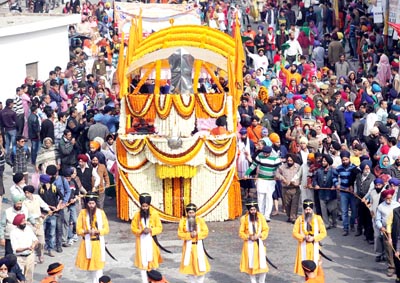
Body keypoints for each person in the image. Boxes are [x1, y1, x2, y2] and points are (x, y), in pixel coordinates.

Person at [75, 193, 109, 283]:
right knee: (91, 269)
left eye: (93, 203)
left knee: (98, 268)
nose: (91, 206)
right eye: (89, 204)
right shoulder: (83, 213)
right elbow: (78, 230)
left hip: (98, 244)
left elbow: (106, 229)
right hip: (87, 244)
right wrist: (86, 231)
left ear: (96, 203)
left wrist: (98, 231)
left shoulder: (101, 213)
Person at [131, 193, 163, 283]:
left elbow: (160, 227)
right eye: (143, 206)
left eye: (146, 206)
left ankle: (153, 281)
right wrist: (140, 231)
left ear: (149, 205)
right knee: (143, 264)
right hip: (141, 242)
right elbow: (133, 228)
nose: (145, 208)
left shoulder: (154, 214)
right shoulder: (137, 215)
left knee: (153, 263)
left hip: (152, 242)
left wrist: (151, 230)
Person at [244, 146, 281, 221]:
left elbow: (279, 168)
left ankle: (267, 215)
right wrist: (247, 173)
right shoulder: (260, 155)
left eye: (266, 153)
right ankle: (261, 214)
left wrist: (278, 176)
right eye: (264, 153)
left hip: (270, 180)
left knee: (269, 197)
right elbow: (254, 165)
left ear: (270, 153)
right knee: (260, 197)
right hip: (261, 179)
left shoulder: (275, 157)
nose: (265, 154)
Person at [292, 199, 327, 276]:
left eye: (309, 209)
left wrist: (314, 238)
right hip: (303, 247)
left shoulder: (318, 218)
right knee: (305, 270)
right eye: (306, 209)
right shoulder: (299, 219)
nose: (308, 211)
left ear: (312, 209)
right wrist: (304, 237)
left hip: (314, 246)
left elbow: (324, 233)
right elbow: (294, 233)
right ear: (304, 210)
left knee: (315, 270)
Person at [178, 203, 210, 283]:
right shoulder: (183, 221)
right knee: (190, 269)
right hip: (188, 248)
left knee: (201, 268)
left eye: (193, 212)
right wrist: (189, 235)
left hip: (198, 247)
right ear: (187, 213)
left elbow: (205, 232)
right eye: (189, 213)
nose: (191, 214)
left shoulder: (200, 220)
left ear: (195, 212)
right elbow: (180, 234)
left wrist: (197, 234)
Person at [239, 200, 269, 283]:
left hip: (259, 244)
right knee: (251, 265)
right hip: (249, 245)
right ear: (248, 210)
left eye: (254, 210)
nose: (253, 212)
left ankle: (261, 281)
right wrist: (249, 237)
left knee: (263, 266)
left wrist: (260, 235)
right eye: (251, 210)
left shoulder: (261, 217)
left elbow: (266, 229)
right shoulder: (244, 219)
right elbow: (241, 232)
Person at [23, 185, 50, 264]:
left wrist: (48, 210)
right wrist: (38, 215)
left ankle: (40, 254)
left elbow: (43, 204)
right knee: (32, 241)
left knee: (41, 241)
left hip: (39, 222)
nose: (26, 194)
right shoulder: (24, 202)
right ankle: (32, 256)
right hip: (29, 223)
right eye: (25, 193)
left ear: (31, 193)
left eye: (27, 192)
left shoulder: (37, 197)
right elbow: (25, 214)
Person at [376, 189, 399, 277]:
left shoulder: (397, 205)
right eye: (387, 198)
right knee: (389, 248)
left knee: (397, 248)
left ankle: (398, 266)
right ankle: (391, 266)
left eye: (390, 198)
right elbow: (378, 219)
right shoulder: (381, 207)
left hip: (396, 229)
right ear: (384, 198)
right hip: (386, 229)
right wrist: (380, 226)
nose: (389, 200)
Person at [10, 214, 38, 283]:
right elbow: (16, 249)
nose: (25, 222)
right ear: (18, 223)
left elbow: (35, 240)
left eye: (24, 221)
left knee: (29, 277)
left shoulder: (28, 229)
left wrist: (33, 245)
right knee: (20, 278)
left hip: (30, 256)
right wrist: (26, 248)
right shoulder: (13, 233)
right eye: (22, 222)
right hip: (20, 258)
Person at [275, 153, 302, 223]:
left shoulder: (298, 167)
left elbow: (301, 175)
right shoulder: (282, 167)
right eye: (288, 160)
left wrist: (298, 182)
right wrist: (283, 179)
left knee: (295, 204)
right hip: (285, 189)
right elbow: (277, 174)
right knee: (287, 204)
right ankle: (289, 216)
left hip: (295, 188)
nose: (289, 162)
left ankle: (293, 217)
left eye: (291, 160)